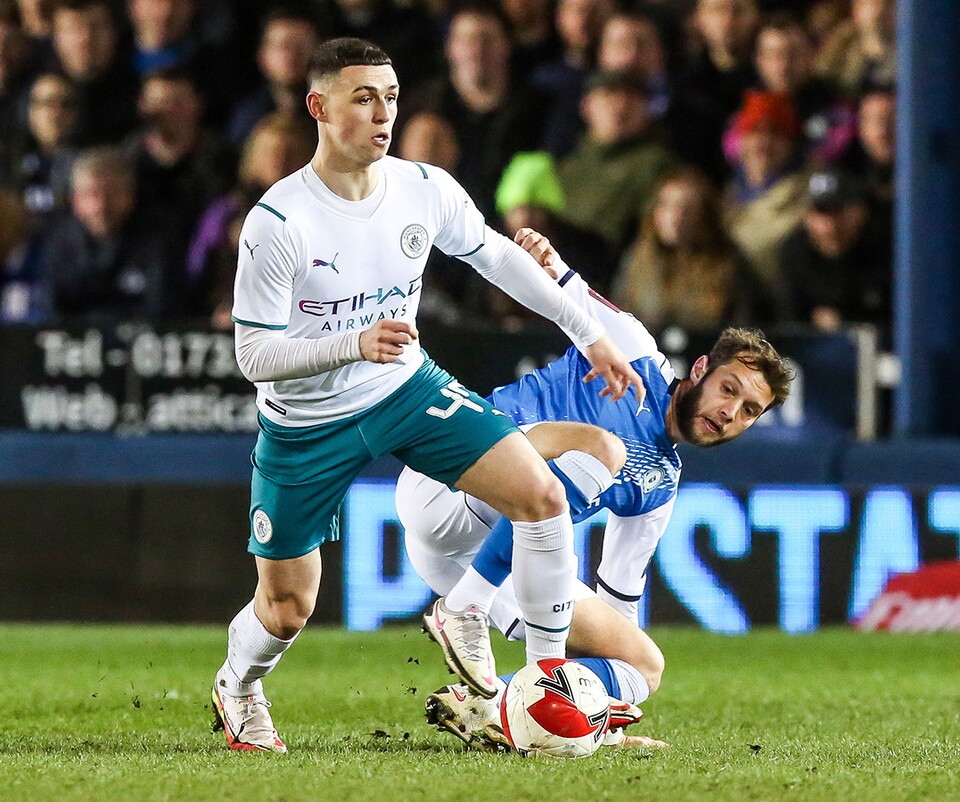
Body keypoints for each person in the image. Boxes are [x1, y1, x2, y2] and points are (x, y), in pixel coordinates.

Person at [210, 37, 643, 754]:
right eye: (363, 98)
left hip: (407, 388)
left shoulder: (422, 187)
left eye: (390, 97)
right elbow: (253, 355)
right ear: (318, 107)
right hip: (307, 424)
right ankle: (240, 684)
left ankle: (542, 686)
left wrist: (588, 331)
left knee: (541, 499)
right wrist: (349, 343)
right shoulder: (280, 222)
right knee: (288, 608)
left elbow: (496, 254)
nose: (383, 113)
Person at [398, 228, 793, 750]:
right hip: (452, 474)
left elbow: (619, 599)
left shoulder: (660, 487)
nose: (729, 412)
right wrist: (545, 258)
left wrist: (597, 713)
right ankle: (463, 607)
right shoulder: (637, 354)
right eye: (728, 390)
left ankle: (496, 708)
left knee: (644, 664)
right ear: (699, 369)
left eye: (749, 411)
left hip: (472, 553)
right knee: (606, 449)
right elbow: (567, 292)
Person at [612, 166, 769, 330]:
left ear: (705, 215)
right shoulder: (637, 261)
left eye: (686, 209)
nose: (675, 218)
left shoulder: (729, 266)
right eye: (666, 206)